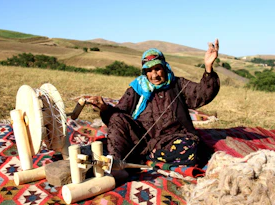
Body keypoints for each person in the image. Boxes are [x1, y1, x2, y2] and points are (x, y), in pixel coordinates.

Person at [87, 39, 220, 178]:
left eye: (157, 69)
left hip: (172, 139)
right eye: (149, 70)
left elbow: (202, 93)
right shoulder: (136, 89)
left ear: (165, 67)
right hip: (141, 140)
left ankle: (141, 157)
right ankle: (117, 165)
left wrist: (208, 68)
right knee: (116, 118)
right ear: (144, 72)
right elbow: (117, 116)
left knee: (189, 148)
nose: (154, 75)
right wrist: (104, 108)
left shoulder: (178, 84)